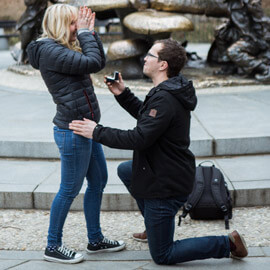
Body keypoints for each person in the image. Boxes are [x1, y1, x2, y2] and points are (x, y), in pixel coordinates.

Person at [69, 38, 248, 265]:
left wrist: (97, 131)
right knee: (127, 170)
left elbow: (139, 137)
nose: (144, 58)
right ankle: (154, 227)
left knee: (163, 255)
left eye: (150, 55)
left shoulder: (165, 97)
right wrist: (123, 94)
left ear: (163, 65)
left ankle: (227, 243)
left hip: (165, 183)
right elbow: (149, 121)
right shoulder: (168, 89)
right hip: (166, 170)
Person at [26, 4, 125, 264]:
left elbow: (98, 61)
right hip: (72, 131)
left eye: (77, 23)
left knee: (99, 180)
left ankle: (95, 239)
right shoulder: (50, 51)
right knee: (69, 189)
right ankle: (53, 245)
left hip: (87, 128)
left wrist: (89, 33)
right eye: (72, 24)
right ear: (59, 25)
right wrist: (86, 33)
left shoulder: (63, 48)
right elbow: (93, 62)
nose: (76, 28)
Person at [208, 0, 270, 81]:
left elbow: (263, 21)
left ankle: (264, 68)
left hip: (253, 39)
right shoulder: (232, 3)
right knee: (220, 33)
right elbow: (237, 21)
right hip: (241, 34)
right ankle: (229, 65)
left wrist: (265, 43)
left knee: (233, 52)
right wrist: (226, 26)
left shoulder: (251, 3)